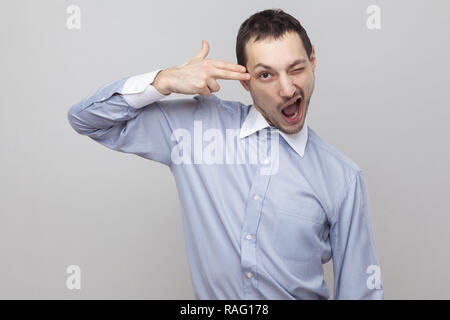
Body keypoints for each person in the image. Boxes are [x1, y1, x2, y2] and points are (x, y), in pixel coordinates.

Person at [67, 9, 384, 300]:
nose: (287, 89)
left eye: (296, 69)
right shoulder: (194, 130)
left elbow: (361, 293)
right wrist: (163, 80)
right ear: (245, 80)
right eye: (266, 75)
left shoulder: (343, 178)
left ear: (313, 61)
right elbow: (87, 119)